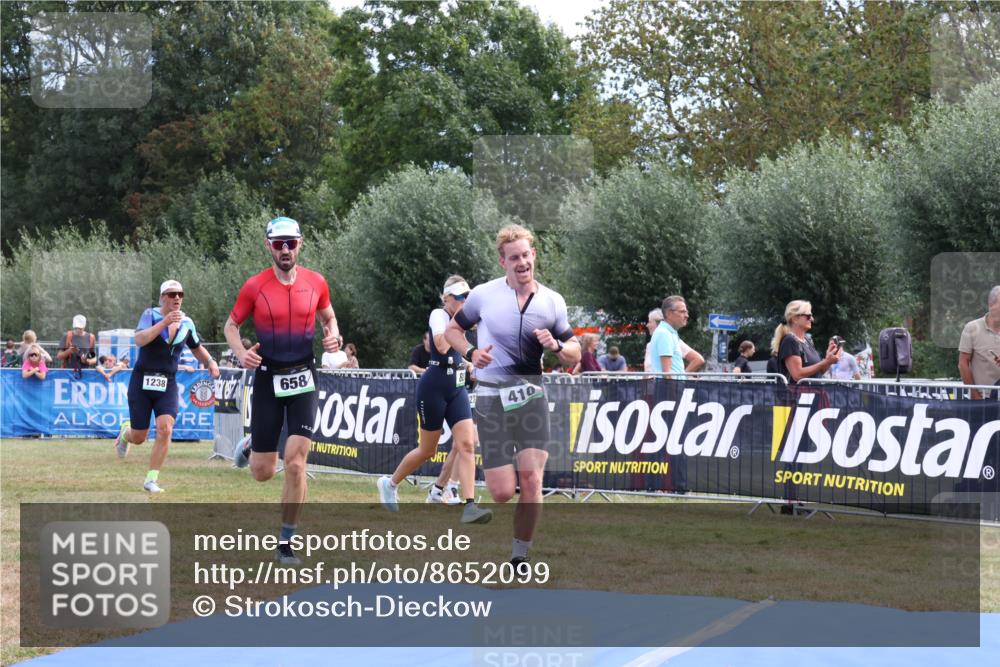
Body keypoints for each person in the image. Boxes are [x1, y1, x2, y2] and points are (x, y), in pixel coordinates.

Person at [445, 224, 581, 569]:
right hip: (492, 399)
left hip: (531, 396)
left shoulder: (552, 301)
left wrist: (558, 346)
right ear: (503, 261)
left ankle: (520, 556)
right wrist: (471, 353)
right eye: (514, 257)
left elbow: (575, 353)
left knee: (533, 479)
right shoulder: (483, 295)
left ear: (533, 255)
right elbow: (453, 330)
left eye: (526, 255)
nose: (522, 262)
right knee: (503, 492)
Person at [225, 216, 340, 565]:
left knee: (295, 463)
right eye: (279, 244)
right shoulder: (254, 287)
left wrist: (334, 337)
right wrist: (240, 352)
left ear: (301, 243)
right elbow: (232, 325)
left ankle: (286, 542)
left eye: (291, 243)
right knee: (262, 472)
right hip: (267, 379)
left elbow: (329, 318)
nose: (286, 249)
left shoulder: (316, 282)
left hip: (304, 377)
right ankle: (251, 444)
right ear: (269, 246)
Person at [377, 276, 492, 524]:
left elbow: (459, 354)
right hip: (433, 387)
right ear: (447, 298)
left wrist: (471, 363)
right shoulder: (438, 316)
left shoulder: (464, 320)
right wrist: (459, 327)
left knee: (467, 444)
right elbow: (441, 346)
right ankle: (390, 483)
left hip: (456, 387)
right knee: (428, 450)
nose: (465, 301)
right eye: (460, 297)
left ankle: (469, 505)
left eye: (467, 297)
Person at [113, 280, 220, 493]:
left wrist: (210, 361)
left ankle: (151, 480)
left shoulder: (187, 323)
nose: (177, 298)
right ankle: (126, 433)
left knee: (165, 428)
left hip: (168, 382)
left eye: (180, 294)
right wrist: (164, 323)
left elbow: (197, 347)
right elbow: (139, 340)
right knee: (139, 437)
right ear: (163, 297)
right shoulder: (150, 315)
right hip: (142, 381)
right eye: (172, 294)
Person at [648, 296, 692, 493]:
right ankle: (671, 486)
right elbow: (667, 372)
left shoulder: (669, 332)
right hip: (669, 389)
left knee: (668, 438)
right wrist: (676, 395)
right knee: (671, 438)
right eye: (682, 311)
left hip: (670, 387)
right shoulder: (665, 334)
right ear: (669, 313)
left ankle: (665, 485)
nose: (686, 315)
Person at [770, 300, 841, 385]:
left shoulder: (808, 340)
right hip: (798, 397)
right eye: (808, 316)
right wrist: (825, 362)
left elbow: (819, 372)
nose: (812, 319)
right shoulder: (790, 341)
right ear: (795, 318)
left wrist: (829, 359)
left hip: (813, 394)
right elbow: (797, 375)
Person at [958, 285, 1000, 400]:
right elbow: (962, 364)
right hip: (983, 400)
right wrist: (974, 394)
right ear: (991, 305)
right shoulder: (971, 328)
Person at [643, 308, 704, 373]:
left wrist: (682, 377)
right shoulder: (650, 345)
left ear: (658, 323)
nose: (647, 325)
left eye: (649, 322)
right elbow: (647, 371)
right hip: (650, 383)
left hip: (666, 382)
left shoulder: (672, 340)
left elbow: (698, 359)